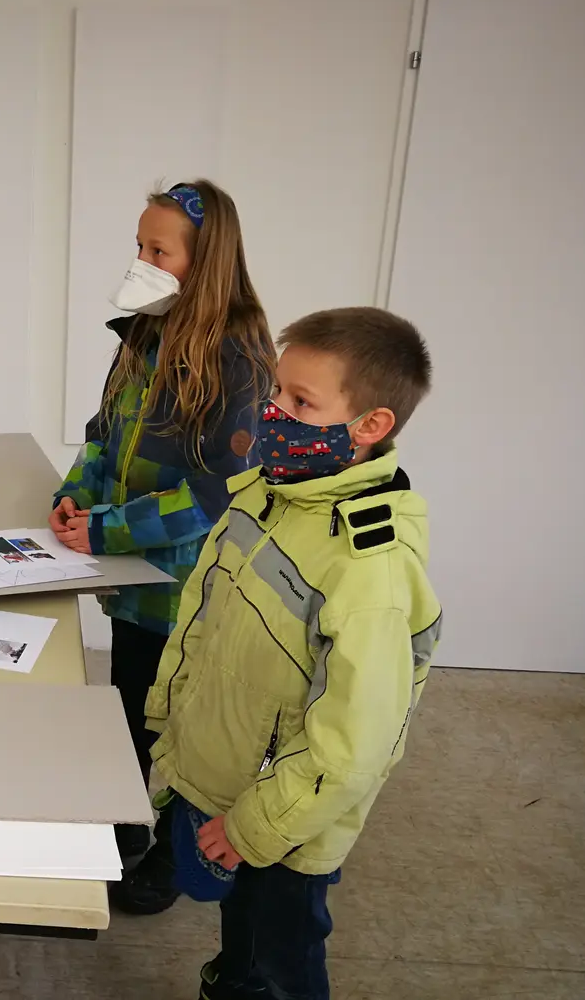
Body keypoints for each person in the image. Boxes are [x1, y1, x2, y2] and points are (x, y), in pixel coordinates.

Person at [114, 308, 441, 1000]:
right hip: (229, 779)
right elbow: (205, 622)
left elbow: (352, 749)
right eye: (276, 392)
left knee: (283, 954)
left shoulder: (370, 572)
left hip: (285, 823)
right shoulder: (267, 495)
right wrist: (173, 725)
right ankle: (234, 982)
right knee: (243, 932)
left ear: (371, 425)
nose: (273, 413)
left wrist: (254, 828)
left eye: (301, 402)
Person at [50, 180, 275, 859]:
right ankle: (124, 834)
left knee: (179, 733)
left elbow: (217, 493)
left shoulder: (240, 361)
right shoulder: (142, 333)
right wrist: (74, 494)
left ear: (205, 262)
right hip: (132, 580)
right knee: (127, 715)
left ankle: (172, 858)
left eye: (159, 250)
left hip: (187, 590)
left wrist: (107, 530)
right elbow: (103, 433)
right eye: (139, 246)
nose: (141, 262)